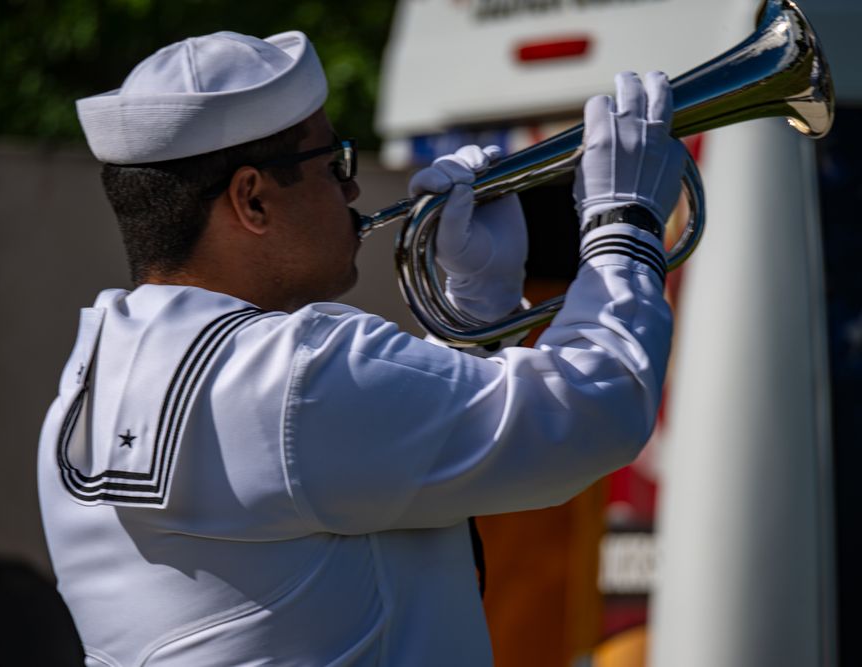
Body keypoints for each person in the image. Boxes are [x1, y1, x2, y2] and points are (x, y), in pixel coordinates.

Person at [37, 29, 686, 666]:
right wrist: (624, 221)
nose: (350, 189)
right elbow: (597, 409)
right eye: (332, 164)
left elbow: (360, 477)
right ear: (252, 199)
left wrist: (478, 308)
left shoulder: (84, 392)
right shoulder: (297, 373)